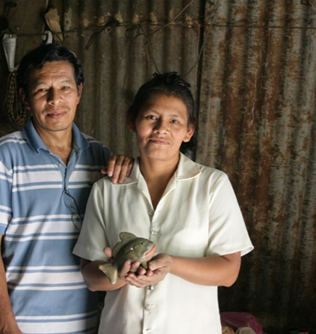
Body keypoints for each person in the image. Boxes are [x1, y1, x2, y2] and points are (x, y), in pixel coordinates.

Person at [73, 72, 254, 333]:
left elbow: (228, 272)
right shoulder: (106, 190)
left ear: (189, 131)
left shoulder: (212, 185)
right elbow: (90, 276)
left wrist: (171, 264)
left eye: (174, 120)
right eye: (151, 117)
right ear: (132, 121)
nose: (161, 129)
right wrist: (119, 275)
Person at [0, 43, 132, 334]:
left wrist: (130, 166)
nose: (55, 100)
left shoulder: (101, 157)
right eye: (42, 89)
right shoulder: (3, 156)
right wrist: (7, 326)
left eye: (65, 88)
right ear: (24, 97)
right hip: (24, 324)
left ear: (79, 92)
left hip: (89, 323)